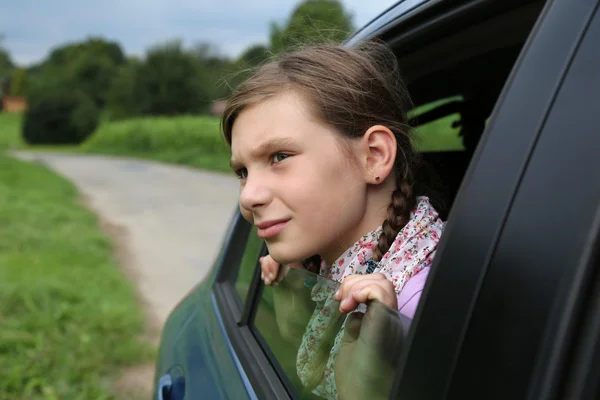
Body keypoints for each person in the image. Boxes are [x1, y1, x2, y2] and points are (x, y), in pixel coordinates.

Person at [222, 40, 445, 399]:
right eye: (242, 172)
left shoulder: (420, 308)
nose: (248, 196)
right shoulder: (323, 272)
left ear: (373, 157)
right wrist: (295, 305)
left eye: (279, 156)